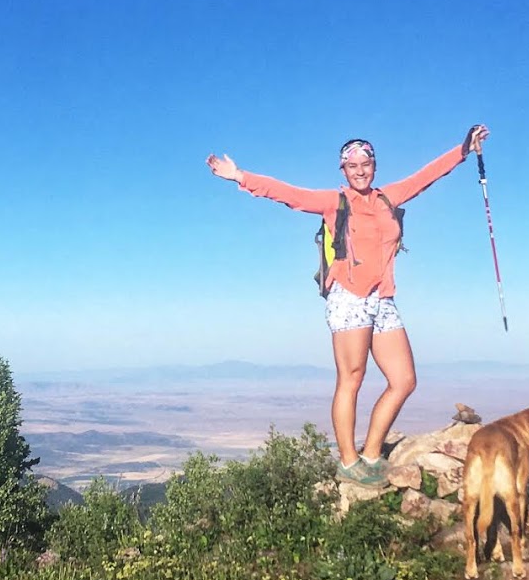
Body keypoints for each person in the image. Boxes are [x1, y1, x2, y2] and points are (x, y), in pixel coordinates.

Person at [206, 125, 489, 485]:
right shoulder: (334, 201)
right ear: (343, 170)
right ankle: (348, 460)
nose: (360, 170)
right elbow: (288, 194)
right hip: (348, 296)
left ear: (374, 166)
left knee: (403, 380)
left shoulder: (389, 197)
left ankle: (371, 454)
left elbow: (426, 176)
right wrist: (239, 176)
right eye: (352, 166)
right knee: (352, 378)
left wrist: (463, 149)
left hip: (382, 298)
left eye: (365, 164)